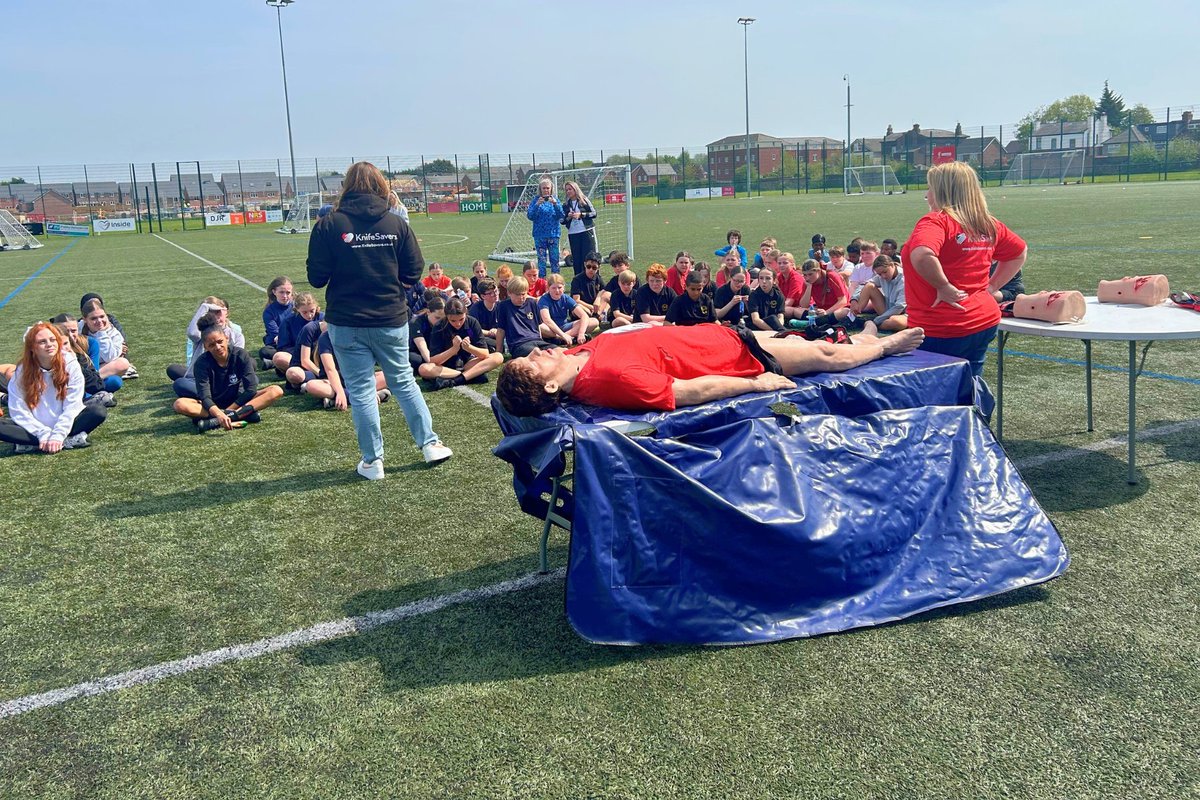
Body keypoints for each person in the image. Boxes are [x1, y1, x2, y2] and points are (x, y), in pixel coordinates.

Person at [306, 160, 452, 477]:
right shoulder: (396, 224)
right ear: (381, 186)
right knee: (403, 382)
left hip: (347, 322)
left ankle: (373, 461)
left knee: (360, 390)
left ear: (346, 187)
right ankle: (430, 444)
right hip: (390, 318)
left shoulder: (329, 224)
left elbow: (316, 277)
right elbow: (414, 272)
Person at [496, 323, 926, 415]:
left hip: (721, 335)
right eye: (533, 363)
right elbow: (688, 392)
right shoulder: (608, 382)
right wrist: (755, 383)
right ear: (551, 386)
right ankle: (885, 345)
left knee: (808, 341)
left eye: (530, 353)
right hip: (741, 359)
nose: (537, 352)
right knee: (827, 357)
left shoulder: (580, 353)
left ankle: (868, 336)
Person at [902, 161, 1026, 378]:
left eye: (930, 188)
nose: (927, 194)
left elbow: (922, 254)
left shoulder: (937, 222)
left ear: (941, 191)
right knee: (969, 388)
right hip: (982, 320)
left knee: (937, 396)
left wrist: (944, 286)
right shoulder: (987, 224)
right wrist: (993, 286)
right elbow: (1019, 252)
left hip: (941, 326)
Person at [0, 323, 108, 452]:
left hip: (68, 423)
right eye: (42, 342)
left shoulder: (70, 364)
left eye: (53, 340)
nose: (50, 344)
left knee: (98, 411)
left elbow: (72, 405)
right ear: (32, 348)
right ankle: (65, 441)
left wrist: (58, 434)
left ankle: (40, 443)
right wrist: (43, 434)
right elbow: (18, 410)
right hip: (35, 427)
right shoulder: (22, 371)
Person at [172, 324, 284, 432]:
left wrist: (228, 411)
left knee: (276, 390)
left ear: (227, 338)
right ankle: (243, 415)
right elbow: (204, 396)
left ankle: (217, 421)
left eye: (220, 341)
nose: (217, 347)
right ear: (205, 347)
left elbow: (250, 389)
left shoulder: (240, 355)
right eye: (211, 345)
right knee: (179, 404)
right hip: (213, 405)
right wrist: (218, 413)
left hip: (240, 401)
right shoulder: (201, 363)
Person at [418, 297, 505, 390]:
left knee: (498, 357)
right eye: (453, 321)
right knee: (423, 369)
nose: (458, 324)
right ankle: (471, 376)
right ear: (446, 316)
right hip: (445, 367)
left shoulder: (472, 322)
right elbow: (433, 360)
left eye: (461, 319)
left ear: (465, 313)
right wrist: (453, 350)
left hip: (468, 363)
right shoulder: (439, 326)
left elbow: (485, 354)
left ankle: (458, 380)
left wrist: (469, 348)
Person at [303, 321, 391, 410]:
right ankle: (363, 396)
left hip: (356, 380)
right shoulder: (325, 337)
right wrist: (340, 391)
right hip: (333, 381)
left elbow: (364, 365)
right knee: (311, 385)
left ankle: (338, 398)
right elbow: (330, 369)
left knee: (389, 375)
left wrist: (369, 387)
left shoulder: (358, 334)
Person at [836, 256, 908, 335]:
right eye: (880, 274)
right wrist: (854, 299)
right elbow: (864, 284)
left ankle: (865, 323)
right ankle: (851, 318)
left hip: (902, 314)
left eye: (885, 272)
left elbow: (899, 307)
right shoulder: (882, 275)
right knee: (869, 286)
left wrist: (876, 320)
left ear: (892, 265)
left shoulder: (904, 279)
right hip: (887, 309)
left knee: (895, 322)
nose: (883, 276)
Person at [495, 275, 559, 357]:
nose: (521, 298)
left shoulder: (532, 303)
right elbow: (501, 330)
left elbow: (537, 326)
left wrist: (540, 340)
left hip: (536, 340)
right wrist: (498, 351)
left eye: (523, 294)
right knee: (540, 354)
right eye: (518, 295)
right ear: (509, 293)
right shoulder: (504, 306)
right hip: (519, 344)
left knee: (558, 351)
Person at [81, 298, 135, 386]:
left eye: (102, 316)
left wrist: (101, 333)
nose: (99, 321)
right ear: (85, 320)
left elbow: (109, 357)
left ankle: (86, 382)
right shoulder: (78, 328)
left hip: (100, 369)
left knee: (122, 364)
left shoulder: (114, 333)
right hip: (82, 367)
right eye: (93, 318)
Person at [272, 292, 323, 374]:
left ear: (316, 307)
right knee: (279, 357)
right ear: (297, 309)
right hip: (298, 357)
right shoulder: (288, 321)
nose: (309, 315)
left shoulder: (322, 319)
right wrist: (303, 353)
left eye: (312, 311)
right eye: (304, 312)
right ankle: (303, 372)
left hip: (320, 356)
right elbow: (283, 347)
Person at [539, 273, 596, 345]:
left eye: (559, 287)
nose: (557, 291)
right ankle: (565, 338)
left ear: (564, 287)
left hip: (565, 326)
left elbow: (583, 315)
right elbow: (547, 320)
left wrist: (581, 333)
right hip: (550, 329)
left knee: (594, 321)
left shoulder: (566, 298)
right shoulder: (544, 300)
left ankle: (560, 340)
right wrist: (563, 335)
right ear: (548, 288)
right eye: (553, 288)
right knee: (540, 327)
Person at [790, 259, 850, 324]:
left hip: (836, 309)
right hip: (820, 311)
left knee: (845, 312)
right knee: (797, 311)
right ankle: (818, 321)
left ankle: (811, 323)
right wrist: (809, 287)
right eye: (805, 275)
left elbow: (843, 301)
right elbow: (804, 305)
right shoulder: (808, 282)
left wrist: (826, 312)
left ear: (818, 271)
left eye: (810, 274)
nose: (807, 278)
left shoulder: (832, 276)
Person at [526, 177, 564, 277]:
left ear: (551, 189)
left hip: (553, 235)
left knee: (554, 260)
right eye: (544, 188)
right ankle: (542, 283)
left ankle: (555, 282)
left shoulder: (556, 200)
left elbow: (561, 215)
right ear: (540, 189)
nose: (546, 190)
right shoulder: (535, 201)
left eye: (548, 188)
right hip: (540, 236)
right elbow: (530, 216)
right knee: (541, 261)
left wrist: (555, 204)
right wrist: (537, 205)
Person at [561, 180, 597, 273]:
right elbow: (562, 221)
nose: (568, 191)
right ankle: (578, 282)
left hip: (587, 231)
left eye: (570, 189)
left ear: (575, 189)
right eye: (566, 190)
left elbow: (594, 213)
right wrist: (568, 216)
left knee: (589, 258)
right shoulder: (565, 205)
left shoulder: (583, 200)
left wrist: (581, 214)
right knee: (577, 260)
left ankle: (593, 280)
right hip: (573, 233)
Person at [260, 276, 294, 369]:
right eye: (281, 292)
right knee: (265, 351)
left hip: (296, 340)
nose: (285, 296)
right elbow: (275, 333)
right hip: (279, 342)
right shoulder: (269, 311)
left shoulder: (297, 307)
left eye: (288, 293)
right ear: (274, 292)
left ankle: (273, 363)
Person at [468, 277, 501, 351]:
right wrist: (489, 333)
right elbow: (472, 330)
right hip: (481, 336)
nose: (495, 294)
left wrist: (497, 330)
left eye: (496, 291)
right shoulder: (476, 309)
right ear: (482, 296)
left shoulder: (501, 306)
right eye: (490, 293)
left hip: (497, 335)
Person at [570, 253, 605, 318]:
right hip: (583, 307)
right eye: (588, 266)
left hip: (595, 307)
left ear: (599, 267)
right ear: (584, 264)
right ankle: (597, 316)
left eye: (594, 268)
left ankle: (598, 315)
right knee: (577, 306)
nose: (591, 269)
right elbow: (576, 300)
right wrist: (591, 307)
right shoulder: (577, 280)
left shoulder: (598, 278)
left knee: (607, 297)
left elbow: (604, 290)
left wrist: (598, 298)